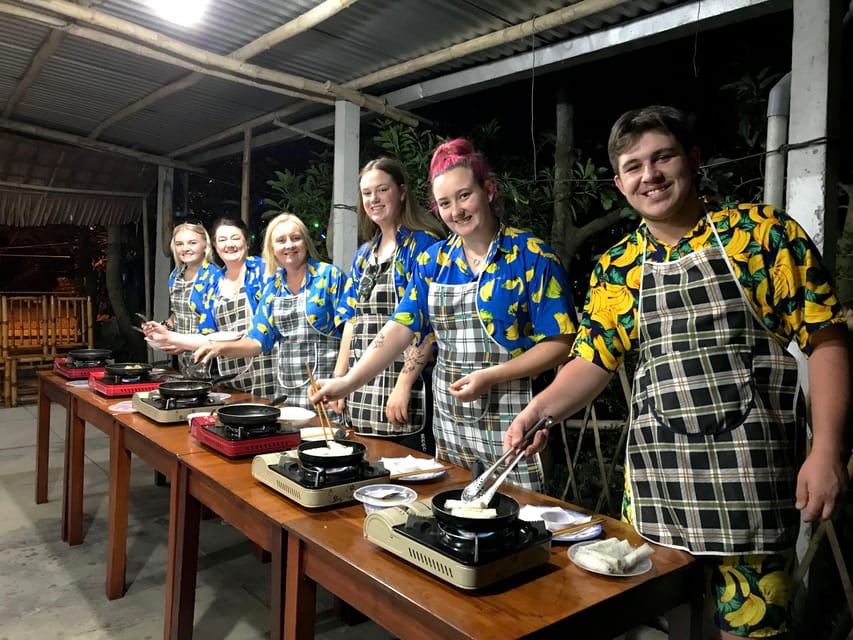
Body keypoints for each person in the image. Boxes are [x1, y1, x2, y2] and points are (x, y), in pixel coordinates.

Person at [506, 105, 850, 638]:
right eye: (634, 166)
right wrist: (535, 411)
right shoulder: (617, 266)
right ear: (619, 183)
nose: (651, 175)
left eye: (662, 156)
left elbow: (826, 340)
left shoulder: (760, 235)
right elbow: (594, 359)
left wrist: (826, 448)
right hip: (656, 491)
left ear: (692, 159)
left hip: (752, 488)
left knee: (754, 634)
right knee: (663, 628)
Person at [311, 138, 577, 490]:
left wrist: (493, 375)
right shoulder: (433, 261)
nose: (457, 211)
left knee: (522, 521)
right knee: (453, 512)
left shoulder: (531, 255)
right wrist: (347, 381)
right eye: (445, 203)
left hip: (516, 422)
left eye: (464, 196)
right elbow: (400, 327)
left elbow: (561, 342)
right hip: (450, 424)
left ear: (489, 191)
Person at [332, 157, 445, 453]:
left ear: (402, 191)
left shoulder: (423, 245)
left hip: (403, 386)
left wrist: (404, 384)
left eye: (382, 190)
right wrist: (340, 380)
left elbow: (428, 324)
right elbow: (351, 321)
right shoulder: (364, 254)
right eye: (367, 193)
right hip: (362, 390)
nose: (373, 199)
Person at [194, 213, 346, 414]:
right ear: (272, 249)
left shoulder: (329, 276)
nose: (289, 245)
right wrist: (220, 348)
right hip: (287, 390)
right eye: (281, 241)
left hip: (328, 389)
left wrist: (341, 381)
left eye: (295, 238)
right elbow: (257, 341)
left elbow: (350, 331)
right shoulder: (273, 287)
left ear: (306, 242)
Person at [144, 217, 277, 398]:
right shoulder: (215, 282)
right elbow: (207, 335)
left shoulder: (263, 270)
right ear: (215, 245)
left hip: (268, 369)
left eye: (235, 238)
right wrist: (168, 335)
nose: (229, 244)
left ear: (247, 241)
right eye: (222, 240)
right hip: (231, 375)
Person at [163, 221, 220, 374]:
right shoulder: (176, 275)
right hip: (183, 357)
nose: (185, 248)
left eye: (192, 243)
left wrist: (184, 343)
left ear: (205, 246)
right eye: (179, 244)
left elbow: (219, 323)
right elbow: (178, 313)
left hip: (210, 355)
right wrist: (163, 329)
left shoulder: (215, 276)